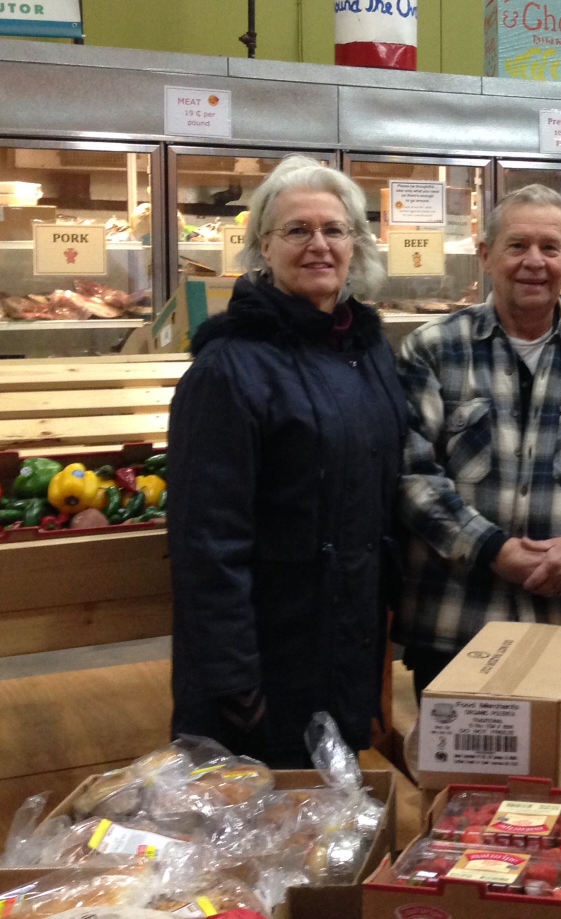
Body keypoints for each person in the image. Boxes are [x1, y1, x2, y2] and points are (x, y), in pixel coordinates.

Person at [167, 155, 405, 767]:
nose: (318, 245)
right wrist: (232, 681)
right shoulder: (228, 369)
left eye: (334, 230)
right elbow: (206, 540)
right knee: (254, 844)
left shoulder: (368, 351)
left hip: (344, 647)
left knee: (329, 833)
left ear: (356, 245)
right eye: (298, 230)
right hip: (264, 667)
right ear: (263, 249)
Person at [395, 184, 561, 698]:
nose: (533, 262)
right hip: (456, 618)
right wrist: (493, 549)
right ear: (486, 256)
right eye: (517, 246)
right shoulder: (431, 350)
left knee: (559, 773)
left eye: (549, 247)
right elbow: (411, 474)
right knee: (459, 776)